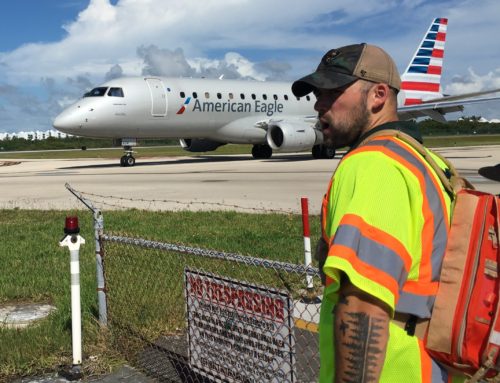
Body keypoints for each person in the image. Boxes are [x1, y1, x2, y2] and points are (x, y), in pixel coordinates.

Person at [292, 43, 465, 382]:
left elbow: (362, 307)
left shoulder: (373, 166)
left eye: (332, 92)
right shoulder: (429, 163)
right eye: (317, 93)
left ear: (378, 95)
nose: (318, 104)